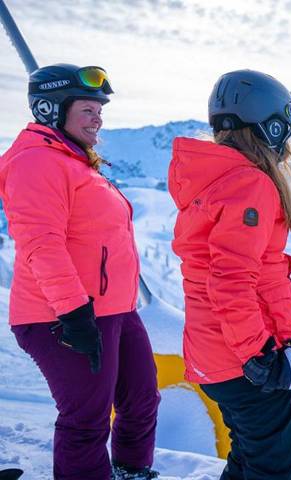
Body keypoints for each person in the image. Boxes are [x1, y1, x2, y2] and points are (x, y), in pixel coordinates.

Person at [0, 64, 160, 479]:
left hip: (114, 309)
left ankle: (130, 471)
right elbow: (41, 243)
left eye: (99, 110)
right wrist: (73, 313)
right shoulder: (35, 162)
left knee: (141, 398)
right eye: (88, 109)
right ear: (52, 110)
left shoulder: (73, 161)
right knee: (86, 417)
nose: (98, 118)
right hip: (60, 315)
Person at [169, 69, 291, 480]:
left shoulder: (215, 181)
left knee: (250, 462)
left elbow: (260, 274)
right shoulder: (248, 184)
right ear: (269, 127)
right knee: (273, 471)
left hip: (217, 356)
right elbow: (231, 280)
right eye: (283, 128)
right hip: (242, 361)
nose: (286, 140)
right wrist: (261, 356)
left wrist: (287, 337)